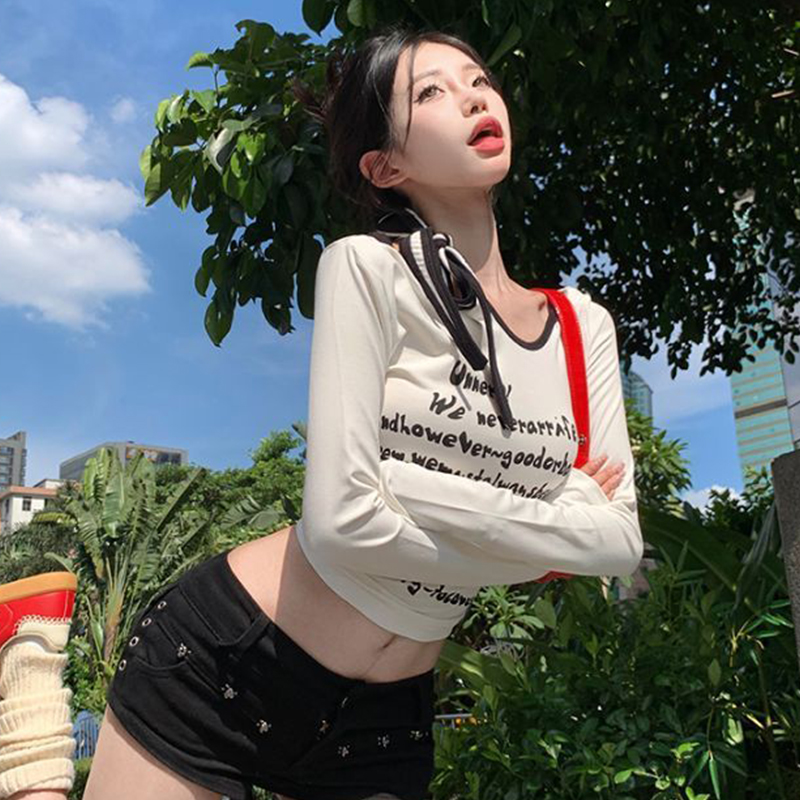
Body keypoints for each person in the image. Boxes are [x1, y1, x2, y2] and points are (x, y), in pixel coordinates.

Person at [0, 22, 642, 800]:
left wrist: (403, 486)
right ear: (386, 164)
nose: (474, 98)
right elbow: (341, 525)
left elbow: (616, 543)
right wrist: (551, 529)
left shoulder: (581, 328)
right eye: (431, 92)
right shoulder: (366, 269)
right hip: (229, 659)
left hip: (384, 722)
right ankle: (30, 689)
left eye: (479, 80)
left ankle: (27, 679)